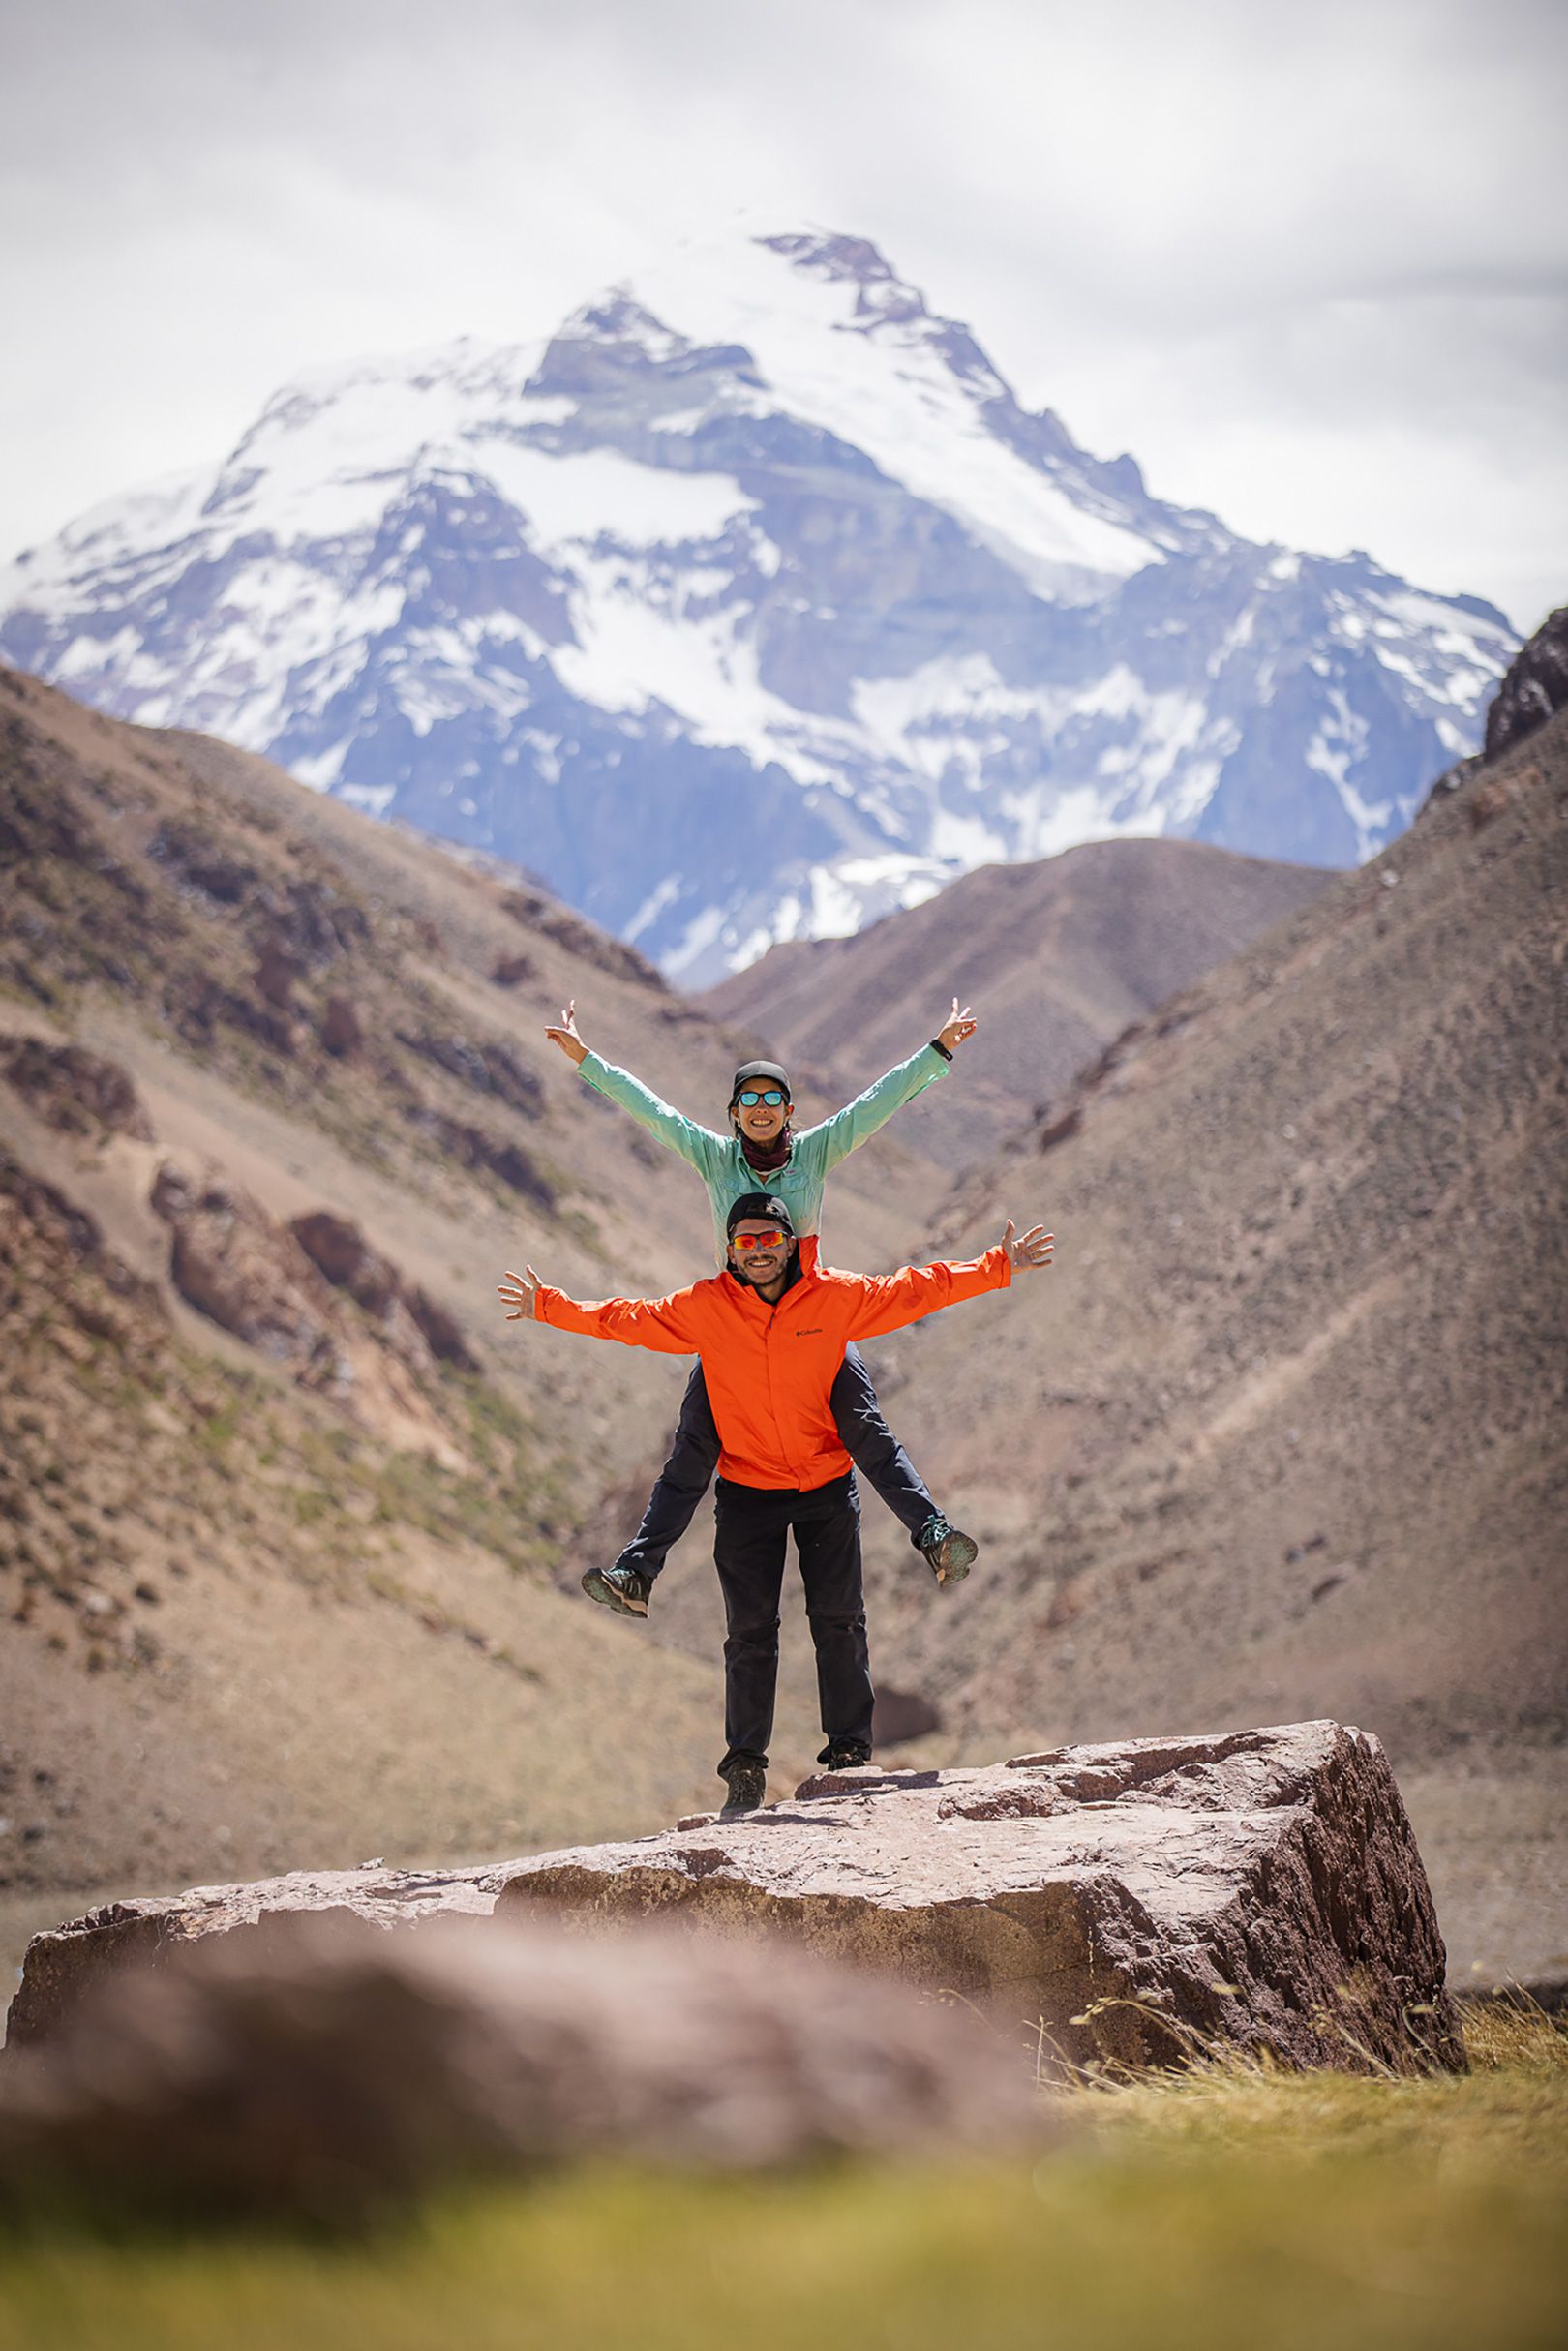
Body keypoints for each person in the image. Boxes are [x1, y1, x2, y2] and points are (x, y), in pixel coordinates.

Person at [499, 1196, 1053, 1813]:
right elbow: (627, 1319)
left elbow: (914, 1291)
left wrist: (996, 1267)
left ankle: (849, 1754)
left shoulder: (832, 1298)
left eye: (768, 1240)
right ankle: (744, 1768)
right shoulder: (707, 1308)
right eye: (745, 1242)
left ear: (791, 1243)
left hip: (824, 1488)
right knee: (749, 1635)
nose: (757, 1251)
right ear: (730, 1249)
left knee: (840, 1622)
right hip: (747, 1494)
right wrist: (549, 1306)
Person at [543, 998, 981, 1617]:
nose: (759, 1109)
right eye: (747, 1100)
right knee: (692, 1449)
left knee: (865, 1431)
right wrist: (586, 1060)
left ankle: (934, 1535)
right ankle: (636, 1574)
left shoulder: (817, 1152)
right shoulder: (713, 1156)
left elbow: (875, 1105)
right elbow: (652, 1113)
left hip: (813, 1318)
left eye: (771, 1099)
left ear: (788, 1111)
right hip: (733, 1325)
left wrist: (937, 1052)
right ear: (732, 1114)